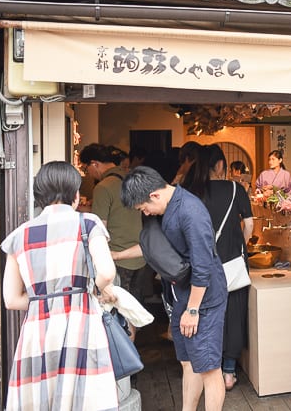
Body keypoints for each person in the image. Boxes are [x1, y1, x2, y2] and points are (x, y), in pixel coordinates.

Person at [2, 161, 119, 410]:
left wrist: (47, 300)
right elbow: (107, 272)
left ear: (39, 196)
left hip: (38, 331)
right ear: (75, 195)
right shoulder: (88, 224)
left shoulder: (20, 235)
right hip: (81, 323)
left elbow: (11, 300)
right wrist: (91, 291)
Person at [121, 166, 228, 411]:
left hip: (204, 300)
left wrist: (192, 310)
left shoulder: (191, 212)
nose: (144, 212)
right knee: (188, 362)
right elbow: (156, 249)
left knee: (210, 369)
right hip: (183, 295)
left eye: (143, 208)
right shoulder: (165, 209)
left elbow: (203, 267)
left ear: (154, 195)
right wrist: (116, 254)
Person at [183, 145, 254, 391]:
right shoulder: (236, 189)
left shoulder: (192, 192)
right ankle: (229, 371)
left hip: (203, 264)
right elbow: (249, 225)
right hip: (232, 263)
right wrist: (238, 245)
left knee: (206, 314)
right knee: (233, 313)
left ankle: (206, 369)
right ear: (221, 165)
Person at [79, 143, 149, 339]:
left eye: (86, 169)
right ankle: (133, 358)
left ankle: (125, 362)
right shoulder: (130, 179)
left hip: (116, 257)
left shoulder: (103, 187)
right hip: (138, 255)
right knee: (132, 309)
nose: (87, 174)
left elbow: (98, 227)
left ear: (94, 164)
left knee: (120, 312)